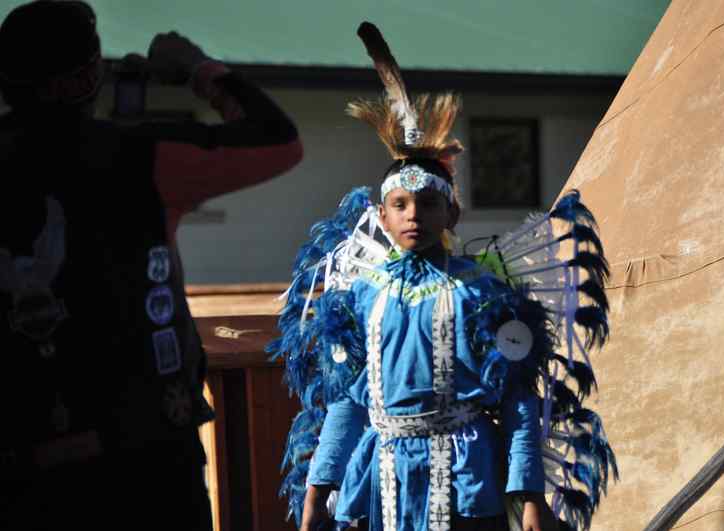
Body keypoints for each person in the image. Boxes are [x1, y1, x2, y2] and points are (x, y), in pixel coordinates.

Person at [271, 23, 613, 531]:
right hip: (381, 481)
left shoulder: (483, 295)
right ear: (381, 218)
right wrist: (320, 486)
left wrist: (531, 496)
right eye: (401, 205)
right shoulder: (359, 297)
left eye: (429, 204)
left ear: (451, 215)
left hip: (464, 483)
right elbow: (347, 400)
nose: (415, 216)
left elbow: (519, 402)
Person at [0, 1, 302, 530]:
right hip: (144, 460)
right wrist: (197, 69)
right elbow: (277, 140)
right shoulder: (138, 156)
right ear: (89, 76)